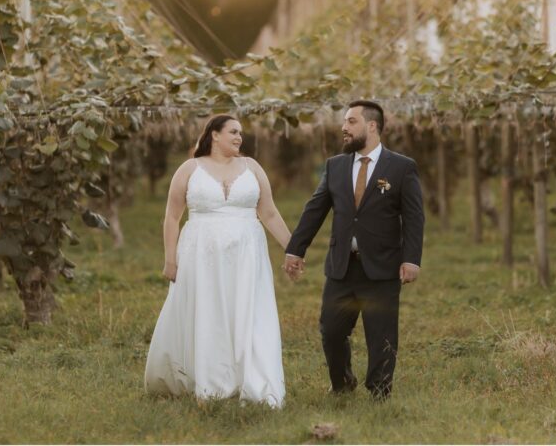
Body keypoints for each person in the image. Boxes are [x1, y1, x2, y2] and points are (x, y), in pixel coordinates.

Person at [144, 115, 292, 408]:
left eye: (241, 133)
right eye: (233, 132)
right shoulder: (190, 169)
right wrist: (170, 260)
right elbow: (172, 216)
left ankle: (254, 381)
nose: (239, 137)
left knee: (248, 314)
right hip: (201, 254)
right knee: (208, 312)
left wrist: (293, 249)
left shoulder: (252, 168)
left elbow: (270, 214)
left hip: (246, 254)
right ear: (214, 135)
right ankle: (210, 383)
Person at [284, 100, 425, 400]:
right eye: (344, 122)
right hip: (341, 267)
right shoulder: (335, 166)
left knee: (381, 335)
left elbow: (414, 218)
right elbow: (315, 210)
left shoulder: (401, 167)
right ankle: (342, 383)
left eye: (351, 121)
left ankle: (379, 392)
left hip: (382, 267)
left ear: (371, 126)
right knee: (331, 331)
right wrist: (295, 249)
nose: (344, 128)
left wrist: (411, 259)